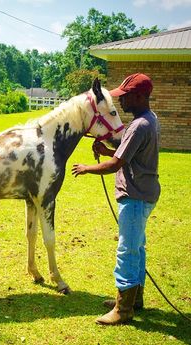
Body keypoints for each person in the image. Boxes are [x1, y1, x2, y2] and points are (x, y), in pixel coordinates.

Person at [72, 73, 160, 326]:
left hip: (135, 196)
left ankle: (123, 309)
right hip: (145, 192)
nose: (121, 102)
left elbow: (117, 164)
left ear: (141, 96)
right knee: (137, 247)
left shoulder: (138, 126)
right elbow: (131, 155)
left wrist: (88, 168)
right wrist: (108, 151)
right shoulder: (150, 120)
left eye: (126, 96)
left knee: (127, 249)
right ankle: (134, 299)